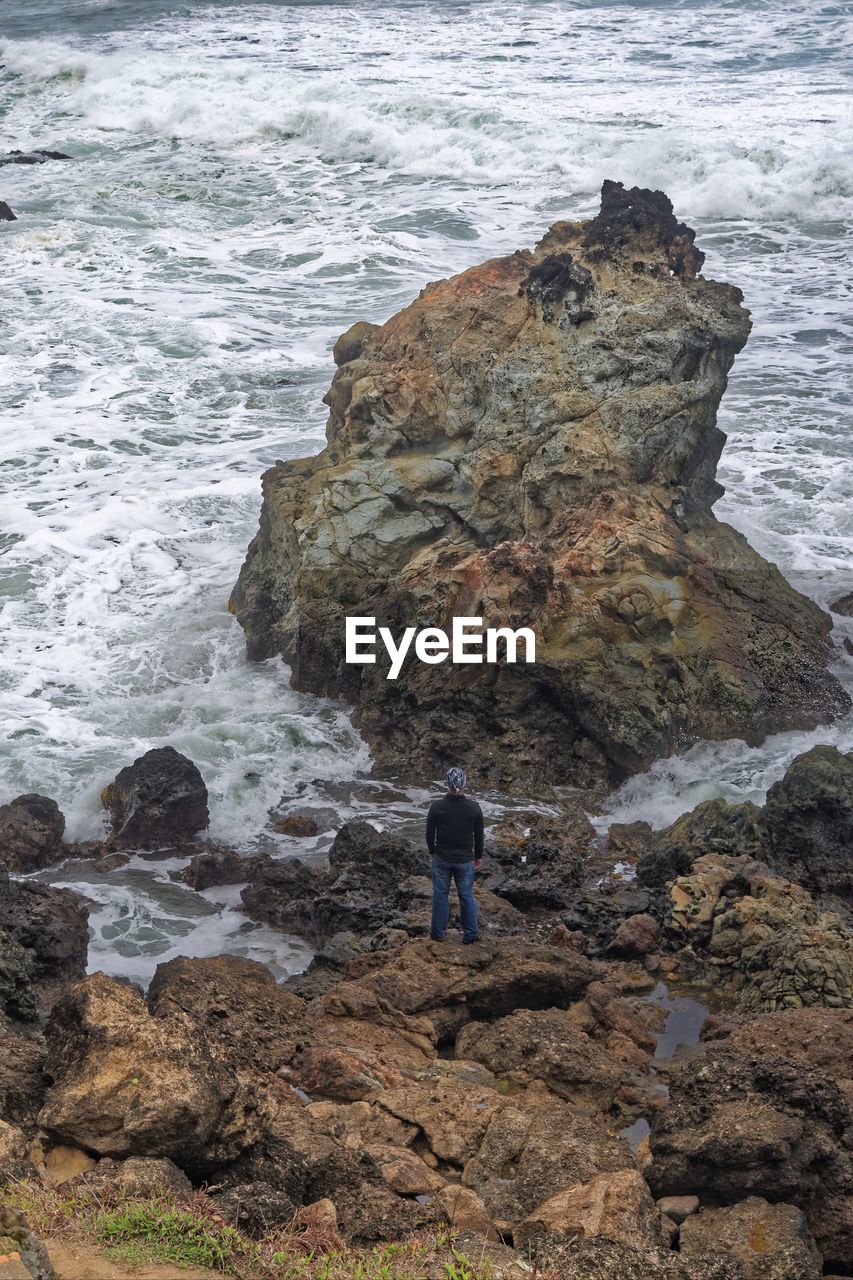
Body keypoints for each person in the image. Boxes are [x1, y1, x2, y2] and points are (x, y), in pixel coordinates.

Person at [426, 766, 483, 943]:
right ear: (464, 783)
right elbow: (479, 836)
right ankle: (471, 933)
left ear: (446, 784)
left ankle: (437, 934)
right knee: (466, 895)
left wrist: (433, 852)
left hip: (442, 858)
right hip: (465, 860)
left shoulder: (437, 807)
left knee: (440, 895)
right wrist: (478, 856)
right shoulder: (474, 808)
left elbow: (429, 834)